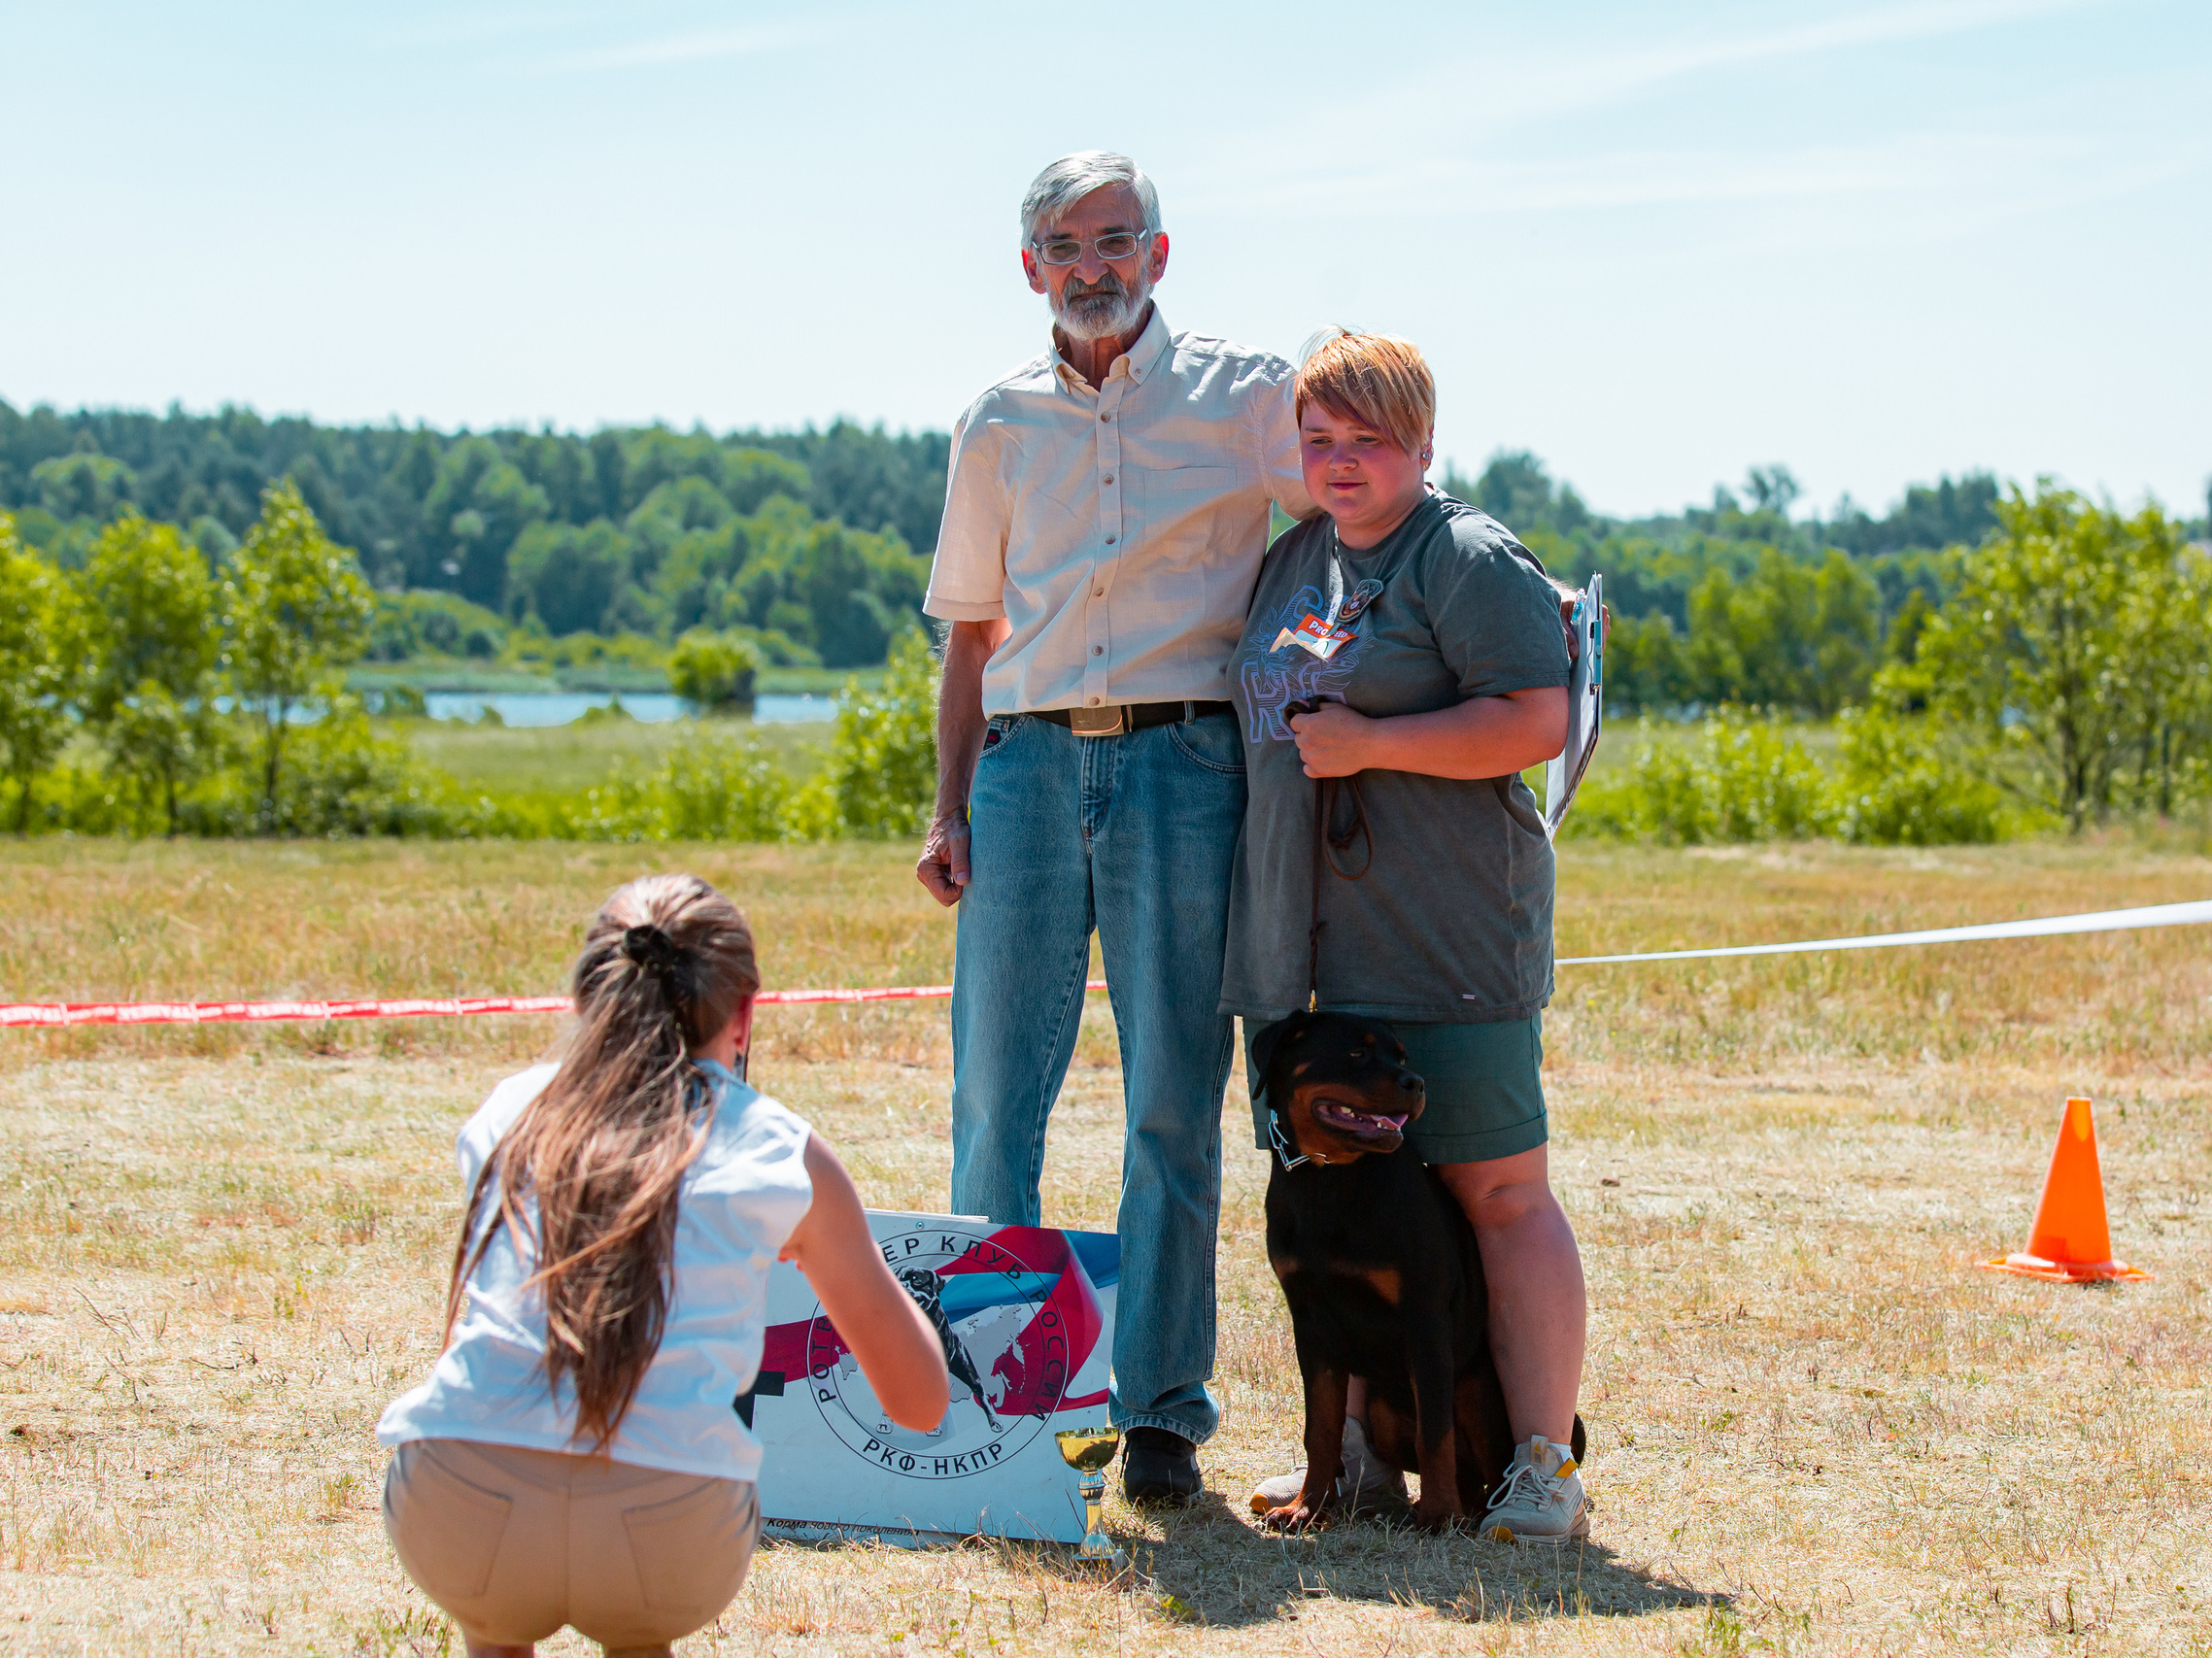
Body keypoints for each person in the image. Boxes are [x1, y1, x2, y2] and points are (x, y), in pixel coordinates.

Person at [915, 152, 1313, 1505]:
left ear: (1159, 251)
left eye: (1116, 239)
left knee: (1170, 1105)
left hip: (1186, 768)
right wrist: (948, 803)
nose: (1093, 265)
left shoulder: (1247, 394)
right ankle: (1005, 1405)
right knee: (992, 1103)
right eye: (1064, 245)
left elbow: (1351, 524)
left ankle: (1158, 1414)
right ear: (1029, 266)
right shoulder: (997, 421)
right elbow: (969, 637)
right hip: (1024, 772)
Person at [1224, 330, 1593, 1544]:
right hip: (1308, 954)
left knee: (1494, 1193)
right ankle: (1362, 1465)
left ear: (1422, 443)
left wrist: (1376, 743)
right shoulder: (1293, 564)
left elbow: (1537, 716)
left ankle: (1540, 1466)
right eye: (1318, 440)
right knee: (1343, 1214)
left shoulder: (1467, 556)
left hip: (1447, 937)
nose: (1338, 463)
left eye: (1366, 440)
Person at [377, 874, 948, 1658]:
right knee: (641, 1620)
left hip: (459, 1495)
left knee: (492, 1622)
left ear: (586, 1002)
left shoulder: (505, 1111)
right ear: (745, 1016)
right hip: (668, 1525)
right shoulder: (784, 1153)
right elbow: (920, 1400)